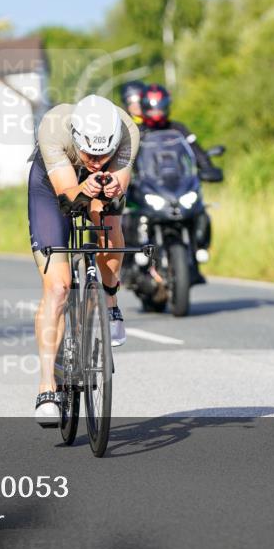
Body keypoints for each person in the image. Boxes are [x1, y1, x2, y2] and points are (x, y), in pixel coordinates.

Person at [27, 95, 140, 427]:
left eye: (104, 154)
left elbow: (119, 187)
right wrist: (84, 187)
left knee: (109, 226)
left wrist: (108, 184)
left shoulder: (128, 130)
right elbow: (68, 196)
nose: (97, 159)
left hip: (100, 188)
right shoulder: (54, 127)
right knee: (58, 287)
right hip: (52, 187)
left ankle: (110, 299)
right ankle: (47, 385)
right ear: (78, 139)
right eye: (91, 154)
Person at [135, 83, 219, 263]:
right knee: (129, 212)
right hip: (150, 185)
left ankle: (200, 246)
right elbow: (125, 158)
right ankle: (136, 250)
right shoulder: (137, 133)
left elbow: (196, 151)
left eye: (160, 107)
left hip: (178, 184)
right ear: (144, 107)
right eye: (152, 107)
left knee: (201, 209)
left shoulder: (178, 129)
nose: (156, 112)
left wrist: (207, 168)